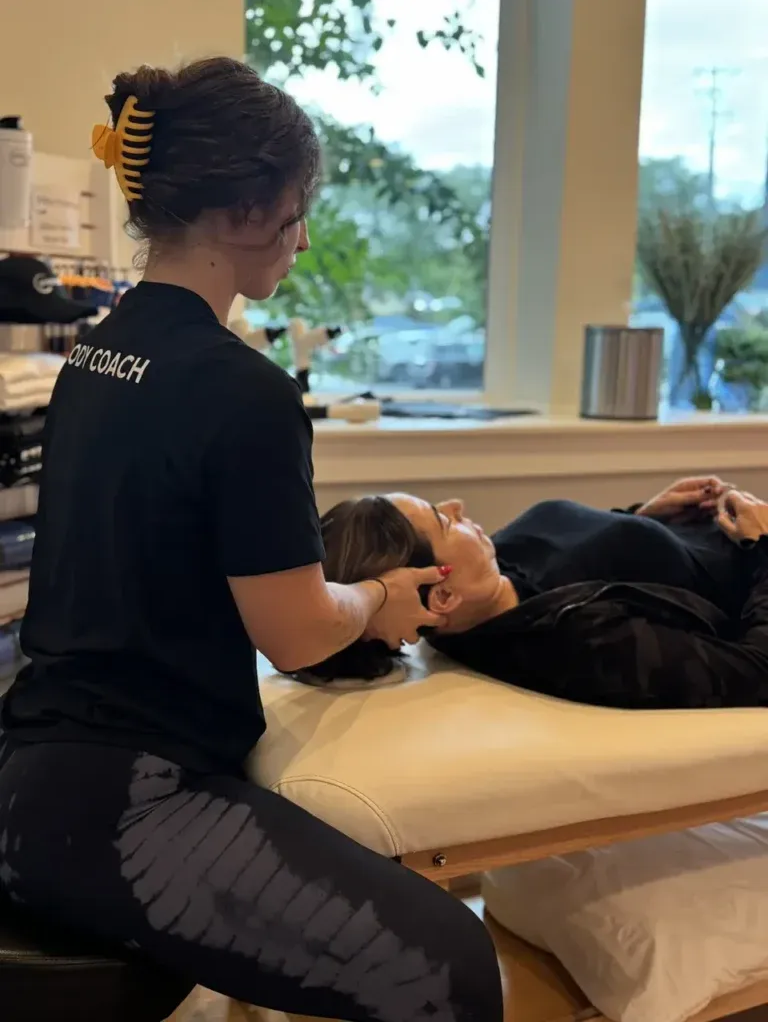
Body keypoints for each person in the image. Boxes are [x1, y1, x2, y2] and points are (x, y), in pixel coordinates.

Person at [0, 58, 503, 1022]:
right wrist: (379, 602)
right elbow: (299, 633)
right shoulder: (245, 393)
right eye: (296, 210)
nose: (304, 238)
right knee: (451, 970)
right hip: (120, 812)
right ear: (241, 214)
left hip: (36, 767)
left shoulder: (96, 355)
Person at [313, 479, 768, 709]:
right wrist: (763, 545)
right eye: (443, 520)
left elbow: (602, 566)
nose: (457, 507)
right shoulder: (579, 640)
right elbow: (756, 670)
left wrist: (647, 519)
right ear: (441, 598)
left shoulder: (493, 583)